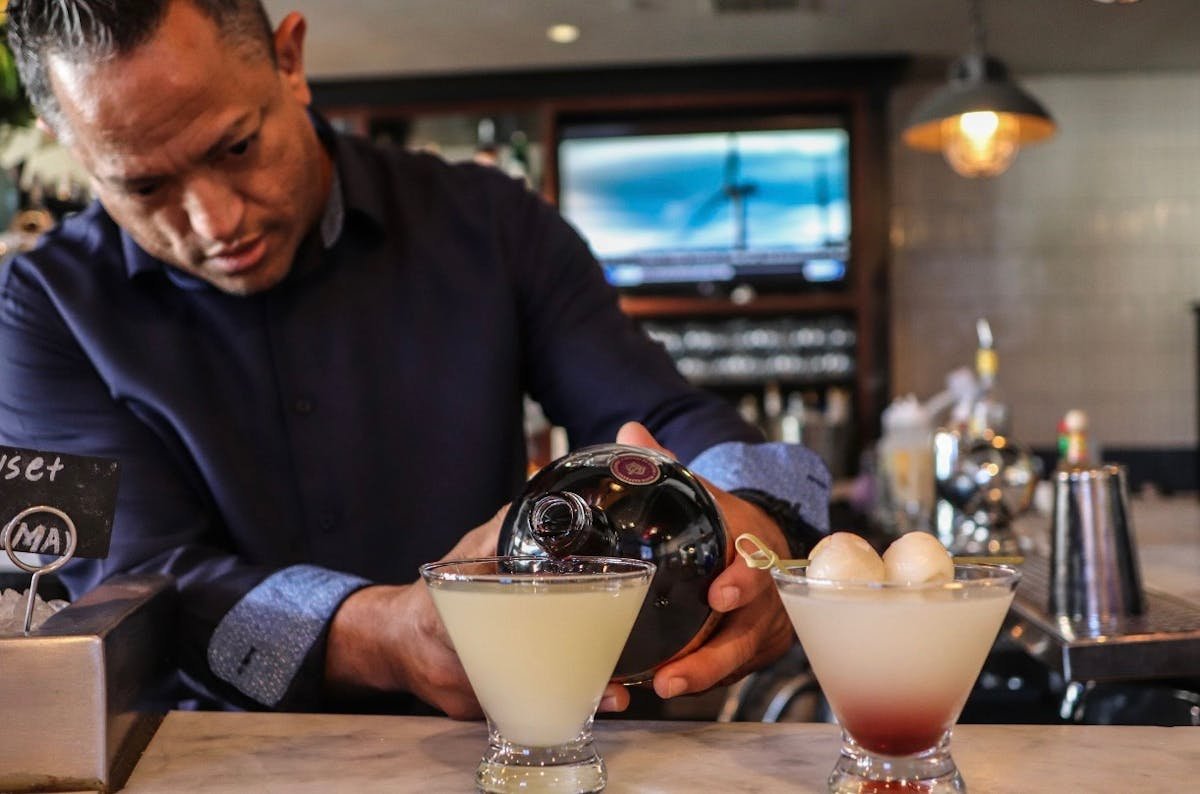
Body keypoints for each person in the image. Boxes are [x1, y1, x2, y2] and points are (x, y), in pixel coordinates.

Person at [0, 0, 830, 716]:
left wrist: (754, 525)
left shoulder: (489, 224)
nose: (214, 223)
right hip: (220, 757)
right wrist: (387, 634)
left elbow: (664, 413)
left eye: (236, 148)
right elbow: (134, 582)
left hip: (523, 742)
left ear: (290, 61)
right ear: (68, 144)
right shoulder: (39, 307)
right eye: (144, 187)